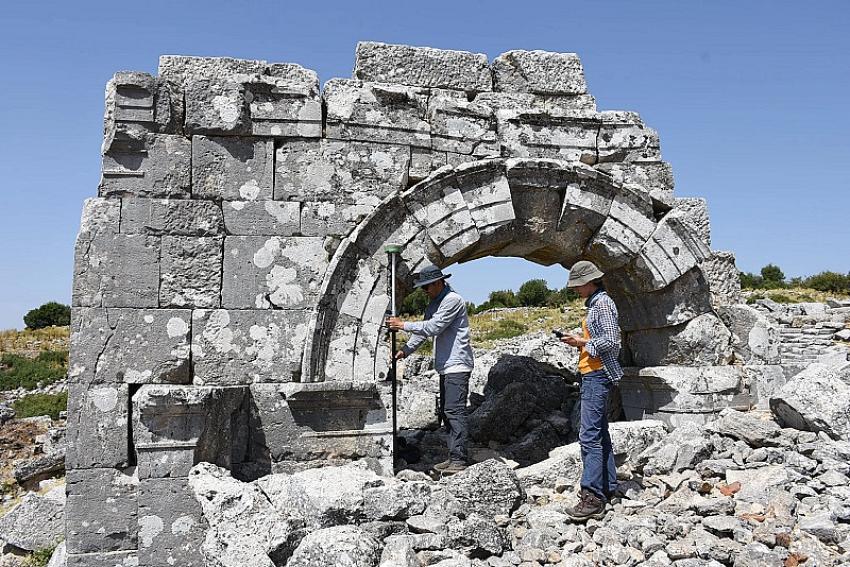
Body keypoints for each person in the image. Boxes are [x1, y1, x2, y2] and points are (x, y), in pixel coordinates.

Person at [387, 265, 474, 475]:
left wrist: (403, 325)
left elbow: (434, 327)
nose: (425, 291)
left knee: (454, 412)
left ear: (438, 282)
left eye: (427, 287)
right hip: (447, 367)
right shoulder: (435, 303)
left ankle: (459, 460)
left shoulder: (452, 300)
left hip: (457, 365)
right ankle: (454, 456)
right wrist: (405, 351)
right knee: (447, 412)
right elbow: (423, 333)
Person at [558, 260, 624, 520]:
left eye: (577, 285)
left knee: (589, 437)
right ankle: (608, 486)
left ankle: (592, 498)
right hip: (593, 373)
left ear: (589, 282)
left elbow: (611, 341)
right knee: (600, 433)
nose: (575, 290)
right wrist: (580, 344)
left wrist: (582, 341)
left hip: (597, 375)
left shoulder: (603, 304)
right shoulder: (597, 304)